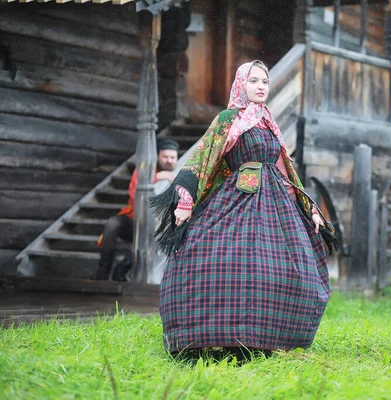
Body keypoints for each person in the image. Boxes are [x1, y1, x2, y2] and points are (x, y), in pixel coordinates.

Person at [150, 61, 337, 359]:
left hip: (275, 205)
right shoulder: (227, 119)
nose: (261, 86)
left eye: (265, 81)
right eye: (254, 81)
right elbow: (203, 157)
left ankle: (263, 339)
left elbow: (286, 170)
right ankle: (218, 336)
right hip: (235, 198)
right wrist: (185, 202)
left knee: (277, 268)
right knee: (222, 263)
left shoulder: (269, 122)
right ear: (241, 85)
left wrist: (310, 208)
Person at [90, 139, 179, 281]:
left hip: (159, 225)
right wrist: (156, 177)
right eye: (165, 157)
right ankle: (104, 268)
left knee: (153, 231)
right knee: (113, 223)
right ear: (158, 157)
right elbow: (134, 191)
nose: (169, 160)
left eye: (172, 157)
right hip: (134, 218)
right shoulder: (144, 170)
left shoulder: (182, 173)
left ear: (177, 159)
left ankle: (122, 269)